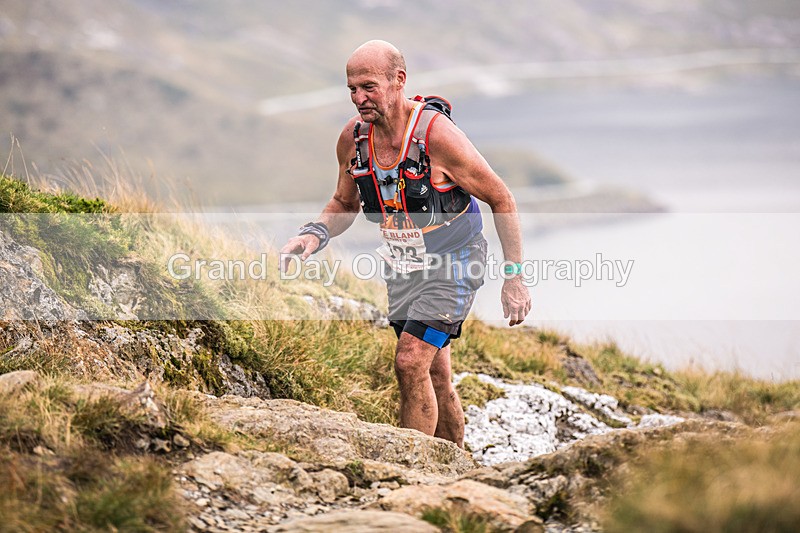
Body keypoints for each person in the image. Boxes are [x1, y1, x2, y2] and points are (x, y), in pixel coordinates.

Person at [280, 40, 531, 447]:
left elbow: (501, 198)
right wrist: (315, 233)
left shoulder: (438, 137)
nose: (359, 98)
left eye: (368, 87)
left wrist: (514, 278)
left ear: (399, 81)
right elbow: (345, 201)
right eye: (351, 89)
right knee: (435, 372)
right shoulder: (353, 139)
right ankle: (454, 462)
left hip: (454, 264)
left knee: (410, 360)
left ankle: (410, 466)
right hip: (403, 267)